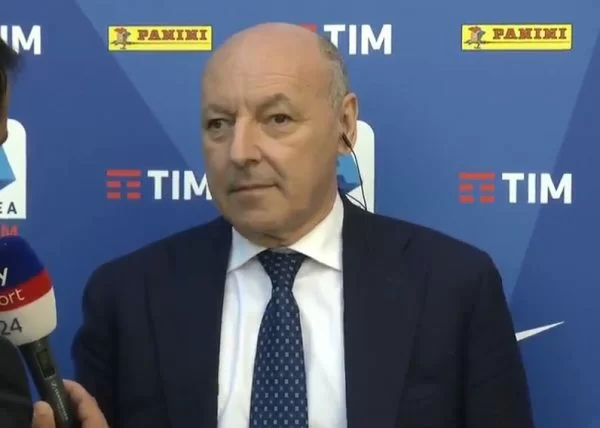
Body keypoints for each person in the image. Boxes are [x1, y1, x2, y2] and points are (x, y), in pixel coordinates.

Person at [38, 22, 534, 427]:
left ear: (345, 124)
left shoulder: (453, 286)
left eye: (276, 119)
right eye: (218, 124)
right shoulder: (127, 296)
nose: (240, 152)